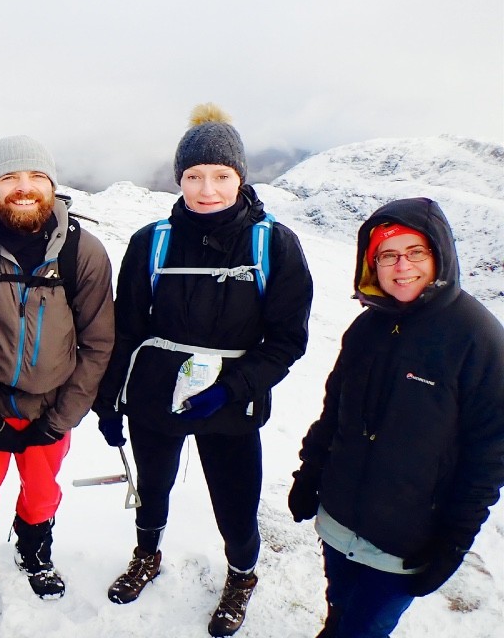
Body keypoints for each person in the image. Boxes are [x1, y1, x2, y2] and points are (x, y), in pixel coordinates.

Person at [93, 104, 313, 637]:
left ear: (240, 177)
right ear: (179, 178)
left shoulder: (272, 244)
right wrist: (109, 399)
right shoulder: (154, 241)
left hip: (231, 399)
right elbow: (127, 326)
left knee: (235, 496)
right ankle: (147, 553)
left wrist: (232, 389)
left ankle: (241, 575)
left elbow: (287, 340)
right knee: (154, 484)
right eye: (193, 176)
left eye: (221, 176)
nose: (206, 189)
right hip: (153, 393)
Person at [288, 198, 504, 638]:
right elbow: (334, 414)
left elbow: (489, 457)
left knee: (367, 628)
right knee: (339, 611)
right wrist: (309, 474)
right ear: (372, 265)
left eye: (415, 253)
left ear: (439, 255)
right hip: (340, 520)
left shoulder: (477, 339)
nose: (401, 267)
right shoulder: (366, 329)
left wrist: (453, 542)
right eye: (387, 255)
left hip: (404, 542)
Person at [0, 135, 116, 605]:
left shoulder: (83, 252)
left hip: (51, 407)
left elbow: (98, 342)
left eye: (35, 176)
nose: (24, 187)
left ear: (52, 184)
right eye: (9, 177)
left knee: (41, 491)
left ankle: (35, 550)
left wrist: (61, 419)